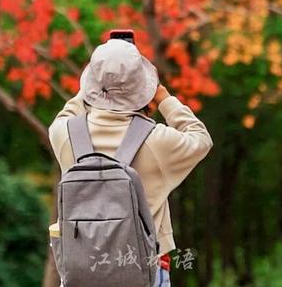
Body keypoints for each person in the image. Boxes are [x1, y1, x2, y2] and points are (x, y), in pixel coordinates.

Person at [48, 37, 213, 286]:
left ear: (92, 85)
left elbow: (71, 110)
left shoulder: (64, 134)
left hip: (80, 275)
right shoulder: (157, 140)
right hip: (144, 271)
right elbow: (201, 139)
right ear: (143, 87)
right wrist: (165, 98)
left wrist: (96, 84)